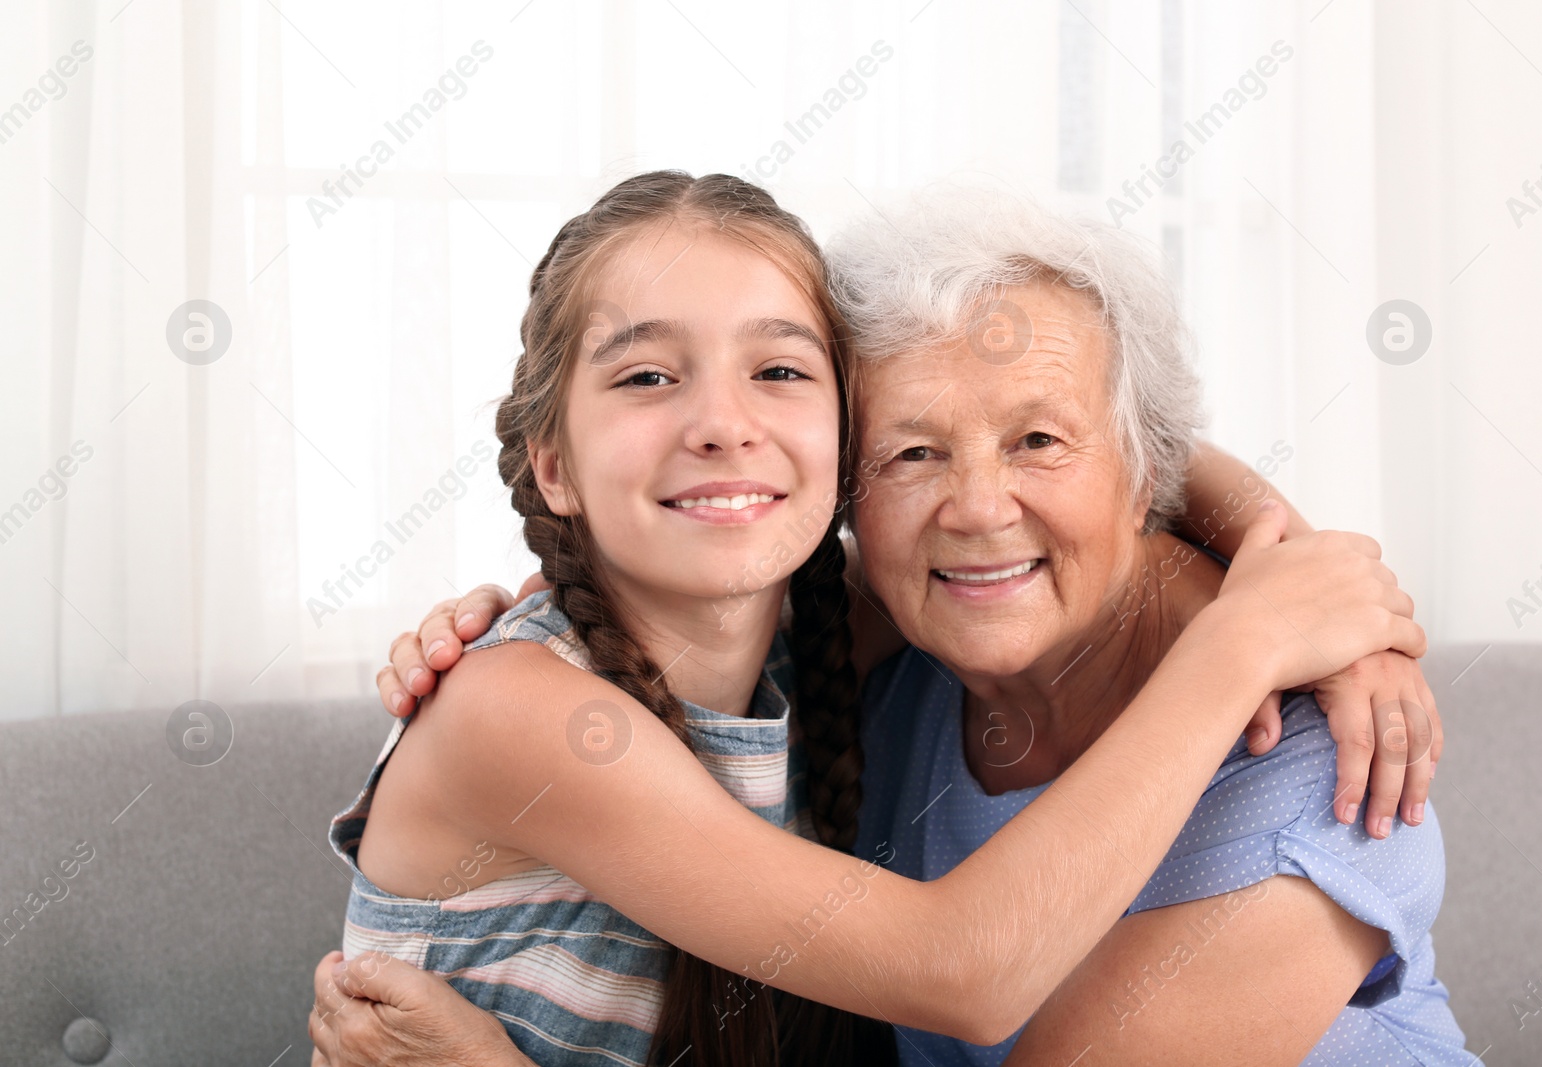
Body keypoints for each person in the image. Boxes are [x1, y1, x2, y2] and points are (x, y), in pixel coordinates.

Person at [312, 174, 1435, 1067]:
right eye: (911, 453)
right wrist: (1256, 621)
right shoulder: (807, 663)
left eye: (777, 370)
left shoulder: (1323, 761)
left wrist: (1285, 587)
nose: (978, 507)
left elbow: (1124, 436)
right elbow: (962, 963)